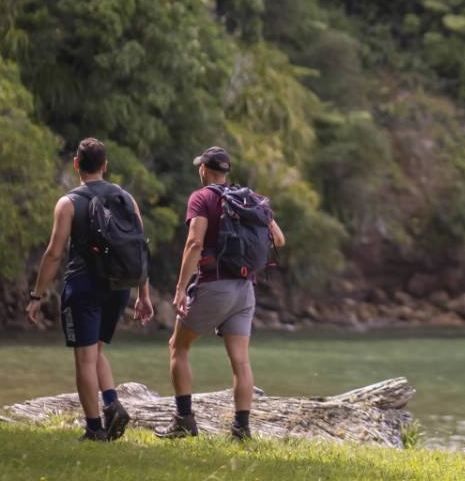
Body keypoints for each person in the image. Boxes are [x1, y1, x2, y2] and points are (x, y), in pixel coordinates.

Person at [26, 138, 155, 442]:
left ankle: (94, 429)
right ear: (105, 165)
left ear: (76, 164)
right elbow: (139, 249)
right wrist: (144, 294)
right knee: (96, 351)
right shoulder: (126, 199)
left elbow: (54, 253)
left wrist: (36, 295)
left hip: (84, 287)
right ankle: (112, 404)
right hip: (119, 287)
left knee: (84, 359)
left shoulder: (68, 203)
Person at [160, 145, 285, 440]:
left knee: (178, 347)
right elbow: (278, 238)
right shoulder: (250, 198)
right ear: (226, 173)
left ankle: (184, 420)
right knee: (240, 361)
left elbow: (194, 244)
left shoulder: (201, 198)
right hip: (245, 290)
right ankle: (241, 430)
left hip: (214, 285)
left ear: (203, 169)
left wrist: (180, 288)